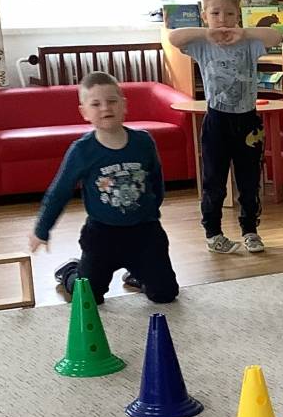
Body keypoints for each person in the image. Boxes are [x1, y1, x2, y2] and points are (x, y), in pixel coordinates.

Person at [30, 71, 177, 305]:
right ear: (84, 112)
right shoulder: (82, 150)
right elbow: (60, 191)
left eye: (111, 101)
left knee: (165, 294)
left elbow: (156, 180)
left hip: (145, 232)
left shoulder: (143, 142)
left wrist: (151, 209)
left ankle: (141, 273)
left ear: (124, 105)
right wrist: (42, 229)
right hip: (102, 236)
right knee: (89, 297)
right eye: (96, 104)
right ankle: (70, 271)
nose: (105, 108)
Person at [167, 0, 269, 254]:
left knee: (249, 181)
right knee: (214, 181)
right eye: (215, 13)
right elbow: (174, 37)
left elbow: (275, 36)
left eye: (229, 13)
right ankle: (213, 233)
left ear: (238, 15)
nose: (222, 19)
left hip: (248, 122)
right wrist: (207, 32)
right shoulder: (202, 44)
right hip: (217, 121)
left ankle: (250, 230)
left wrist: (243, 32)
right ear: (205, 15)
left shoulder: (248, 43)